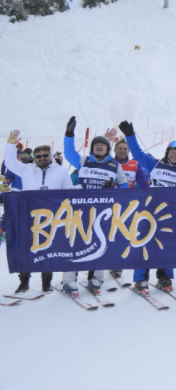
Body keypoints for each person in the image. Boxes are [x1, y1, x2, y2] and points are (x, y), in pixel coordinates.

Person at [120, 120, 176, 293]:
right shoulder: (155, 164)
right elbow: (137, 155)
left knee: (166, 246)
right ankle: (140, 279)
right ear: (167, 152)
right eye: (171, 151)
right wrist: (130, 135)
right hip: (150, 211)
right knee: (144, 244)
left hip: (171, 215)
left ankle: (164, 276)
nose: (174, 154)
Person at [61, 117, 129, 295]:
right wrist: (69, 134)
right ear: (92, 148)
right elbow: (69, 154)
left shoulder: (115, 166)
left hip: (104, 213)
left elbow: (124, 186)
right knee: (76, 245)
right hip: (81, 212)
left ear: (108, 148)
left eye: (103, 145)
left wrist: (113, 190)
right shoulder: (84, 162)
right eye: (96, 145)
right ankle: (69, 280)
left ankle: (95, 278)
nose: (99, 147)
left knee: (101, 244)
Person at [5, 130, 76, 295]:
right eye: (38, 156)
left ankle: (46, 282)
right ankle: (24, 281)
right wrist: (10, 144)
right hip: (29, 217)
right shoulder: (26, 169)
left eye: (45, 155)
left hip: (52, 218)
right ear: (34, 158)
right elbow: (9, 162)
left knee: (48, 250)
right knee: (26, 249)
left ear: (50, 155)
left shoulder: (61, 171)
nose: (42, 158)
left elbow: (68, 193)